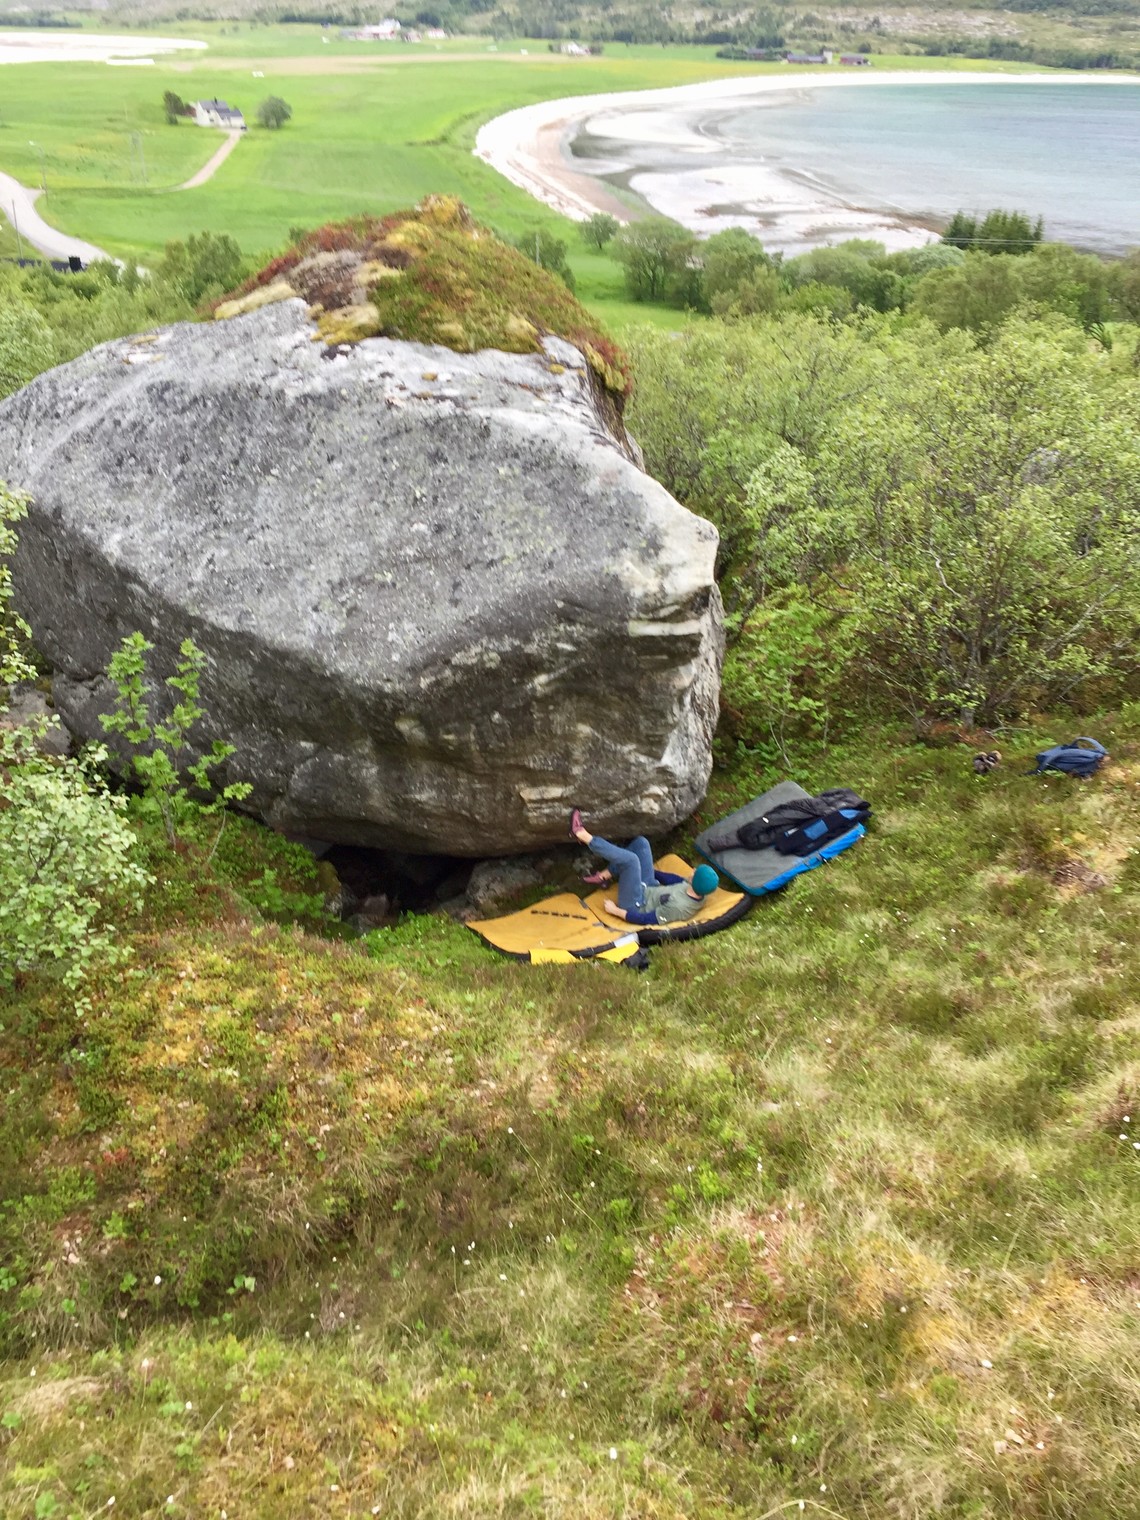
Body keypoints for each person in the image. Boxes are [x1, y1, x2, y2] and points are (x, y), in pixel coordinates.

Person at [569, 808, 720, 926]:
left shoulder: (679, 907)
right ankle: (604, 876)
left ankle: (582, 835)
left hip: (635, 904)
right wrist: (642, 870)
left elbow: (646, 919)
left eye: (695, 872)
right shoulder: (696, 889)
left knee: (631, 861)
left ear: (696, 882)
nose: (693, 870)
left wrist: (616, 911)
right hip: (649, 887)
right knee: (642, 844)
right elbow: (672, 880)